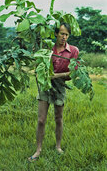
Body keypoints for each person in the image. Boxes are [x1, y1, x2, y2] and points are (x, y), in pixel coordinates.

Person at [28, 22, 79, 162]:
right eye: (62, 34)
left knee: (58, 118)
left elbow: (72, 73)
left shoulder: (73, 51)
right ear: (56, 33)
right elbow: (38, 64)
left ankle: (58, 146)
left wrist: (57, 76)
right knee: (41, 119)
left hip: (60, 85)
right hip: (45, 85)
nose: (64, 37)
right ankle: (38, 150)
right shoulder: (47, 48)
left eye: (67, 34)